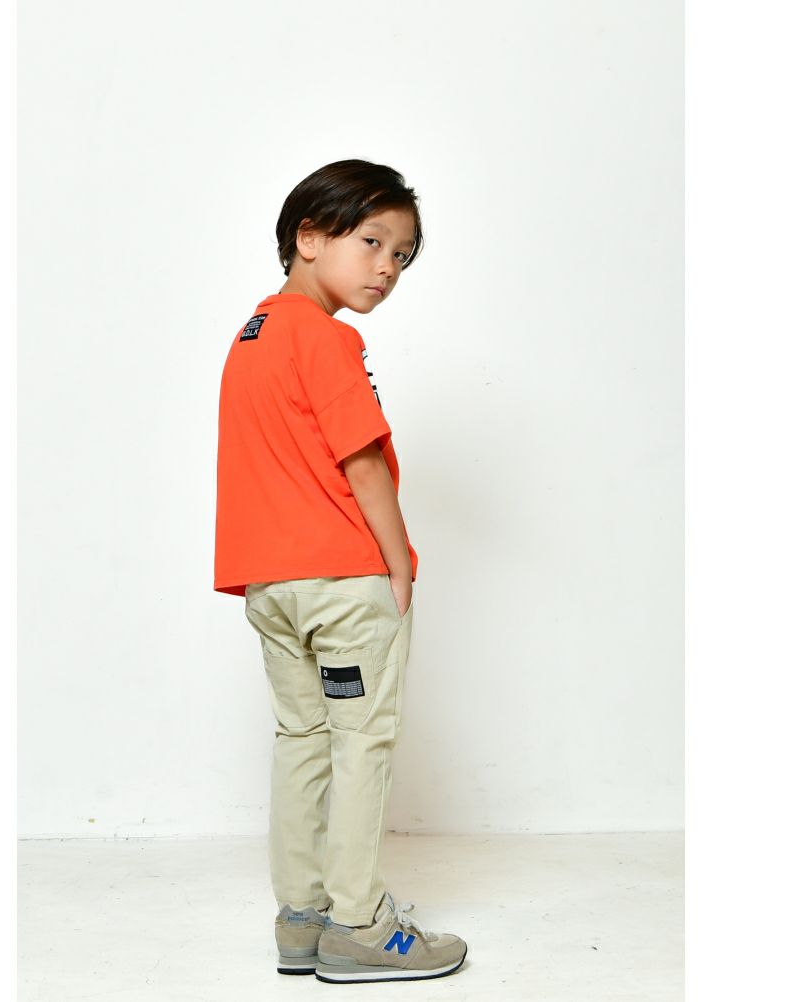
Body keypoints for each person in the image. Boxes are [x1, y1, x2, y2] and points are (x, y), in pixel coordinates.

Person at [213, 159, 467, 984]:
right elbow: (361, 462)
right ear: (309, 237)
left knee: (302, 740)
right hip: (342, 582)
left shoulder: (251, 335)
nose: (388, 267)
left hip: (271, 583)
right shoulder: (327, 338)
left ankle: (302, 916)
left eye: (403, 255)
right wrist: (400, 564)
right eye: (373, 242)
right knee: (362, 741)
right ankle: (359, 924)